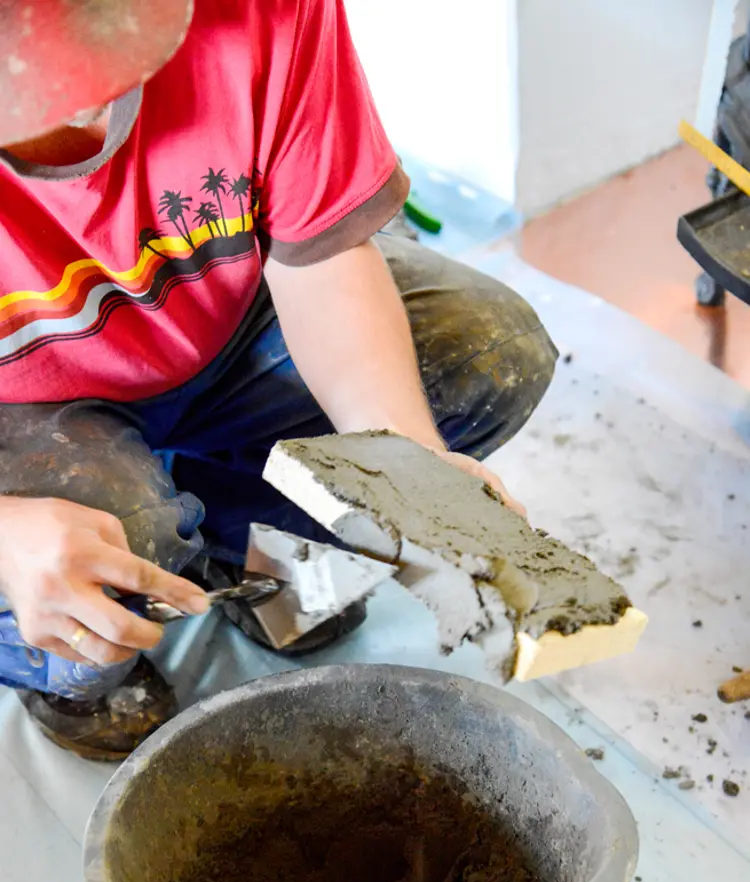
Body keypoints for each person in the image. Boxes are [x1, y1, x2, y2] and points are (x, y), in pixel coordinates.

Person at [0, 0, 557, 760]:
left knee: (486, 355)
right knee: (115, 559)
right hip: (21, 407)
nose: (92, 100)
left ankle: (242, 539)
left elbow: (322, 258)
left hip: (221, 321)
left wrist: (405, 459)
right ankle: (62, 673)